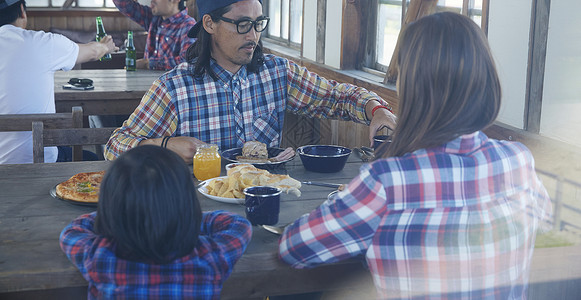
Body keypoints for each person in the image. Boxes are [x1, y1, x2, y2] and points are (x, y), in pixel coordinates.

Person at [278, 12, 553, 299]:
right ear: (486, 80)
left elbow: (295, 248)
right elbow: (543, 224)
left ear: (413, 88)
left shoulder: (388, 181)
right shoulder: (518, 159)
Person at [104, 0, 397, 163]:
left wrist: (377, 109)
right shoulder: (173, 88)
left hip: (267, 201)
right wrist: (164, 144)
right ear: (209, 24)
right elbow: (115, 147)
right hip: (196, 212)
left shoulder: (279, 73)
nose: (253, 35)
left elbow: (339, 97)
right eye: (242, 24)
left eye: (258, 24)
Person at [59, 145, 252, 299]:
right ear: (187, 204)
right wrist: (174, 215)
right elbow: (238, 225)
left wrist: (118, 212)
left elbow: (72, 231)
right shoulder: (209, 256)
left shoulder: (101, 256)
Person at [0, 0, 117, 164]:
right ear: (22, 11)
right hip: (40, 160)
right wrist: (106, 47)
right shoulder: (42, 42)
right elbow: (91, 52)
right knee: (93, 160)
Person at [112, 0, 196, 70]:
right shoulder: (154, 18)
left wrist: (148, 64)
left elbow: (188, 62)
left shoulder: (188, 25)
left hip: (169, 87)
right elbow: (122, 4)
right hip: (148, 84)